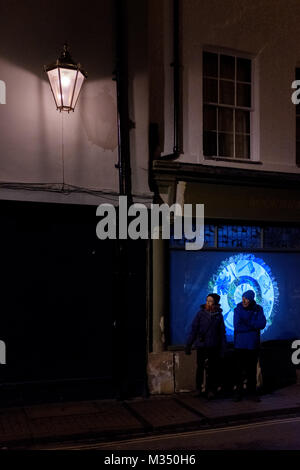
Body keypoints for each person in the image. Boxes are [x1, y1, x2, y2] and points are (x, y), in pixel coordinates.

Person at [185, 293, 226, 400]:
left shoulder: (219, 316)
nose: (208, 303)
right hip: (202, 345)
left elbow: (222, 333)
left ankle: (211, 390)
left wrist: (223, 348)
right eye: (207, 300)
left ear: (215, 303)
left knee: (212, 369)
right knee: (200, 367)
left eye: (210, 301)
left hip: (213, 346)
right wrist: (189, 344)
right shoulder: (200, 314)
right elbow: (194, 329)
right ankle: (198, 389)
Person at [233, 290, 266, 402]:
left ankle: (251, 393)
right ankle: (239, 392)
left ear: (251, 299)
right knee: (239, 370)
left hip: (253, 345)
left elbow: (262, 324)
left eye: (246, 298)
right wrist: (253, 326)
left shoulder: (258, 309)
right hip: (240, 345)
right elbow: (237, 327)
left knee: (251, 370)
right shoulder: (237, 309)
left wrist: (247, 323)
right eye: (243, 298)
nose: (244, 300)